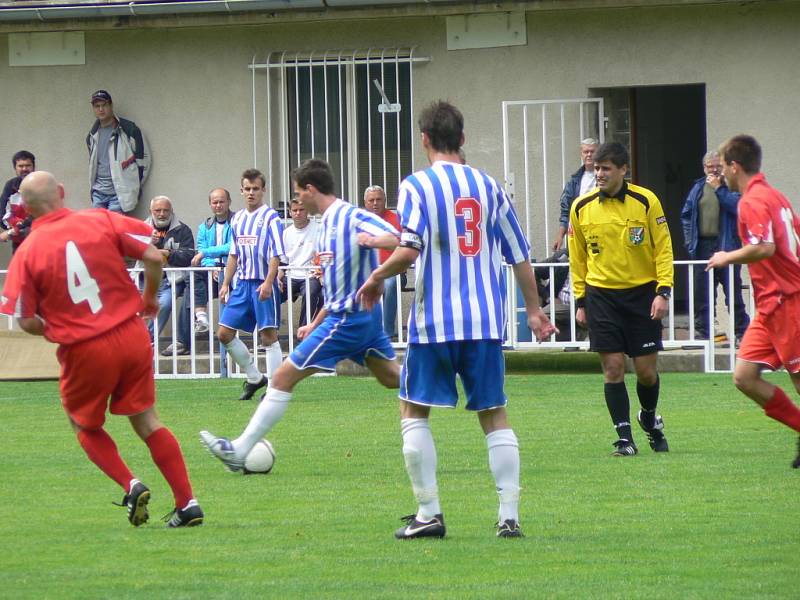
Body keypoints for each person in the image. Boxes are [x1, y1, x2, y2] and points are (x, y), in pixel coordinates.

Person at [358, 101, 557, 540]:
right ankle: (509, 515)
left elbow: (409, 249)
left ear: (424, 139)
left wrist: (375, 276)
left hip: (434, 322)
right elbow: (519, 254)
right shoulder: (488, 185)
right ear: (462, 139)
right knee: (493, 412)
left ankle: (429, 513)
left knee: (413, 410)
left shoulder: (416, 186)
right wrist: (535, 310)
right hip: (484, 321)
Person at [0, 171, 203, 527]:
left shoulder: (28, 251)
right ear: (61, 192)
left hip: (85, 347)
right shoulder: (99, 219)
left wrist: (56, 330)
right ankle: (187, 503)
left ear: (27, 210)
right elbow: (154, 257)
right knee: (148, 421)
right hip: (131, 333)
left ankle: (131, 483)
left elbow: (26, 320)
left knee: (83, 424)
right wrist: (150, 299)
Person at [200, 158, 400, 471]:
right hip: (353, 319)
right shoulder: (324, 229)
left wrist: (373, 249)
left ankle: (238, 449)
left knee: (281, 377)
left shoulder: (350, 216)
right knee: (394, 379)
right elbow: (335, 290)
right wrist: (314, 323)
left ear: (310, 190)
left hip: (347, 321)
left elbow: (398, 238)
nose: (296, 201)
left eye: (297, 193)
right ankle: (439, 376)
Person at [568, 141, 673, 457]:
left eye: (606, 168)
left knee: (645, 371)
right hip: (601, 297)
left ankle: (648, 418)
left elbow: (663, 248)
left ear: (623, 169)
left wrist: (662, 291)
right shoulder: (581, 207)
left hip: (642, 295)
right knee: (612, 367)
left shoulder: (646, 201)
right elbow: (578, 258)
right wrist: (580, 300)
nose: (599, 174)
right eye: (596, 168)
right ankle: (625, 439)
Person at [707, 135, 800, 468]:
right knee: (744, 377)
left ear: (735, 166)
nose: (721, 175)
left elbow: (765, 247)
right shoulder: (775, 196)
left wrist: (725, 257)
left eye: (723, 167)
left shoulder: (754, 200)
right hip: (770, 305)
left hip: (788, 301)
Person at [217, 169, 285, 400]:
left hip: (262, 284)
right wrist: (226, 283)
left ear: (263, 190)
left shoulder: (271, 218)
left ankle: (275, 389)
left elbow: (276, 254)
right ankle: (255, 377)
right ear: (241, 191)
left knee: (268, 336)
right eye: (247, 189)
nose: (251, 193)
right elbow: (234, 254)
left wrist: (268, 282)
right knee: (224, 333)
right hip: (242, 284)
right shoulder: (236, 219)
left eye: (256, 188)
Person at [681, 151, 750, 341]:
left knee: (732, 292)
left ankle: (741, 333)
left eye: (717, 166)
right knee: (702, 293)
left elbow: (739, 208)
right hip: (702, 245)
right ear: (704, 168)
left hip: (727, 245)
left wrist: (720, 189)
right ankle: (704, 334)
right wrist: (689, 241)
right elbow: (686, 215)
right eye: (709, 166)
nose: (713, 169)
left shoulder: (731, 186)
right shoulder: (697, 188)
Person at [140, 196, 195, 356]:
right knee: (135, 309)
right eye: (158, 210)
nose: (162, 214)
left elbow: (188, 256)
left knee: (163, 304)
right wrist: (146, 244)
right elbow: (127, 254)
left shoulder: (182, 230)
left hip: (172, 280)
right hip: (145, 278)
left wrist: (168, 254)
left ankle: (145, 340)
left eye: (166, 210)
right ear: (151, 211)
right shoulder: (140, 228)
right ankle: (138, 340)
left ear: (172, 211)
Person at [86, 90, 151, 214]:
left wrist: (133, 185)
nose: (101, 109)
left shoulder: (129, 129)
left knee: (115, 231)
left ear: (111, 105)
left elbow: (144, 159)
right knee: (98, 230)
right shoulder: (92, 135)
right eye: (97, 106)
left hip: (119, 194)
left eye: (104, 105)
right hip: (98, 193)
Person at [190, 188, 234, 334]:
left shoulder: (237, 221)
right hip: (213, 272)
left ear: (229, 202)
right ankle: (201, 318)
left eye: (222, 201)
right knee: (192, 277)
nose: (218, 205)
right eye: (215, 202)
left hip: (234, 271)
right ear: (210, 204)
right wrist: (212, 266)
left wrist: (206, 253)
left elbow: (233, 247)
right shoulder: (204, 226)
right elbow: (200, 248)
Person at [363, 184, 405, 338]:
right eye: (371, 200)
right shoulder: (361, 220)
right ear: (365, 203)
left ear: (385, 201)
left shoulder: (396, 220)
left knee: (390, 284)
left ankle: (386, 332)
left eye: (378, 199)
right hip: (366, 271)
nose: (375, 203)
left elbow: (404, 246)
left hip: (393, 270)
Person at [278, 198, 323, 330]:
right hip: (290, 275)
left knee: (311, 293)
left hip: (311, 274)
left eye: (301, 210)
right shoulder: (286, 233)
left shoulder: (319, 229)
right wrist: (276, 279)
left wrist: (321, 273)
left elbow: (324, 257)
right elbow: (283, 262)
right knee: (270, 292)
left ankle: (304, 334)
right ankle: (270, 336)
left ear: (307, 210)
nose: (298, 213)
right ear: (290, 212)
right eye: (295, 210)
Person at [553, 138, 598, 251]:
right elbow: (565, 210)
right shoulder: (574, 181)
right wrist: (560, 236)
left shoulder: (606, 178)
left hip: (599, 229)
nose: (589, 155)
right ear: (581, 154)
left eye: (592, 151)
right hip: (578, 232)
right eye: (586, 152)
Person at [0, 150, 35, 252]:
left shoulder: (40, 183)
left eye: (28, 165)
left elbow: (41, 215)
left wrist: (13, 231)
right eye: (20, 166)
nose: (24, 169)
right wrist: (16, 229)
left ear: (33, 167)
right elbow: (2, 214)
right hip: (18, 242)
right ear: (15, 168)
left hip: (39, 239)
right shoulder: (10, 185)